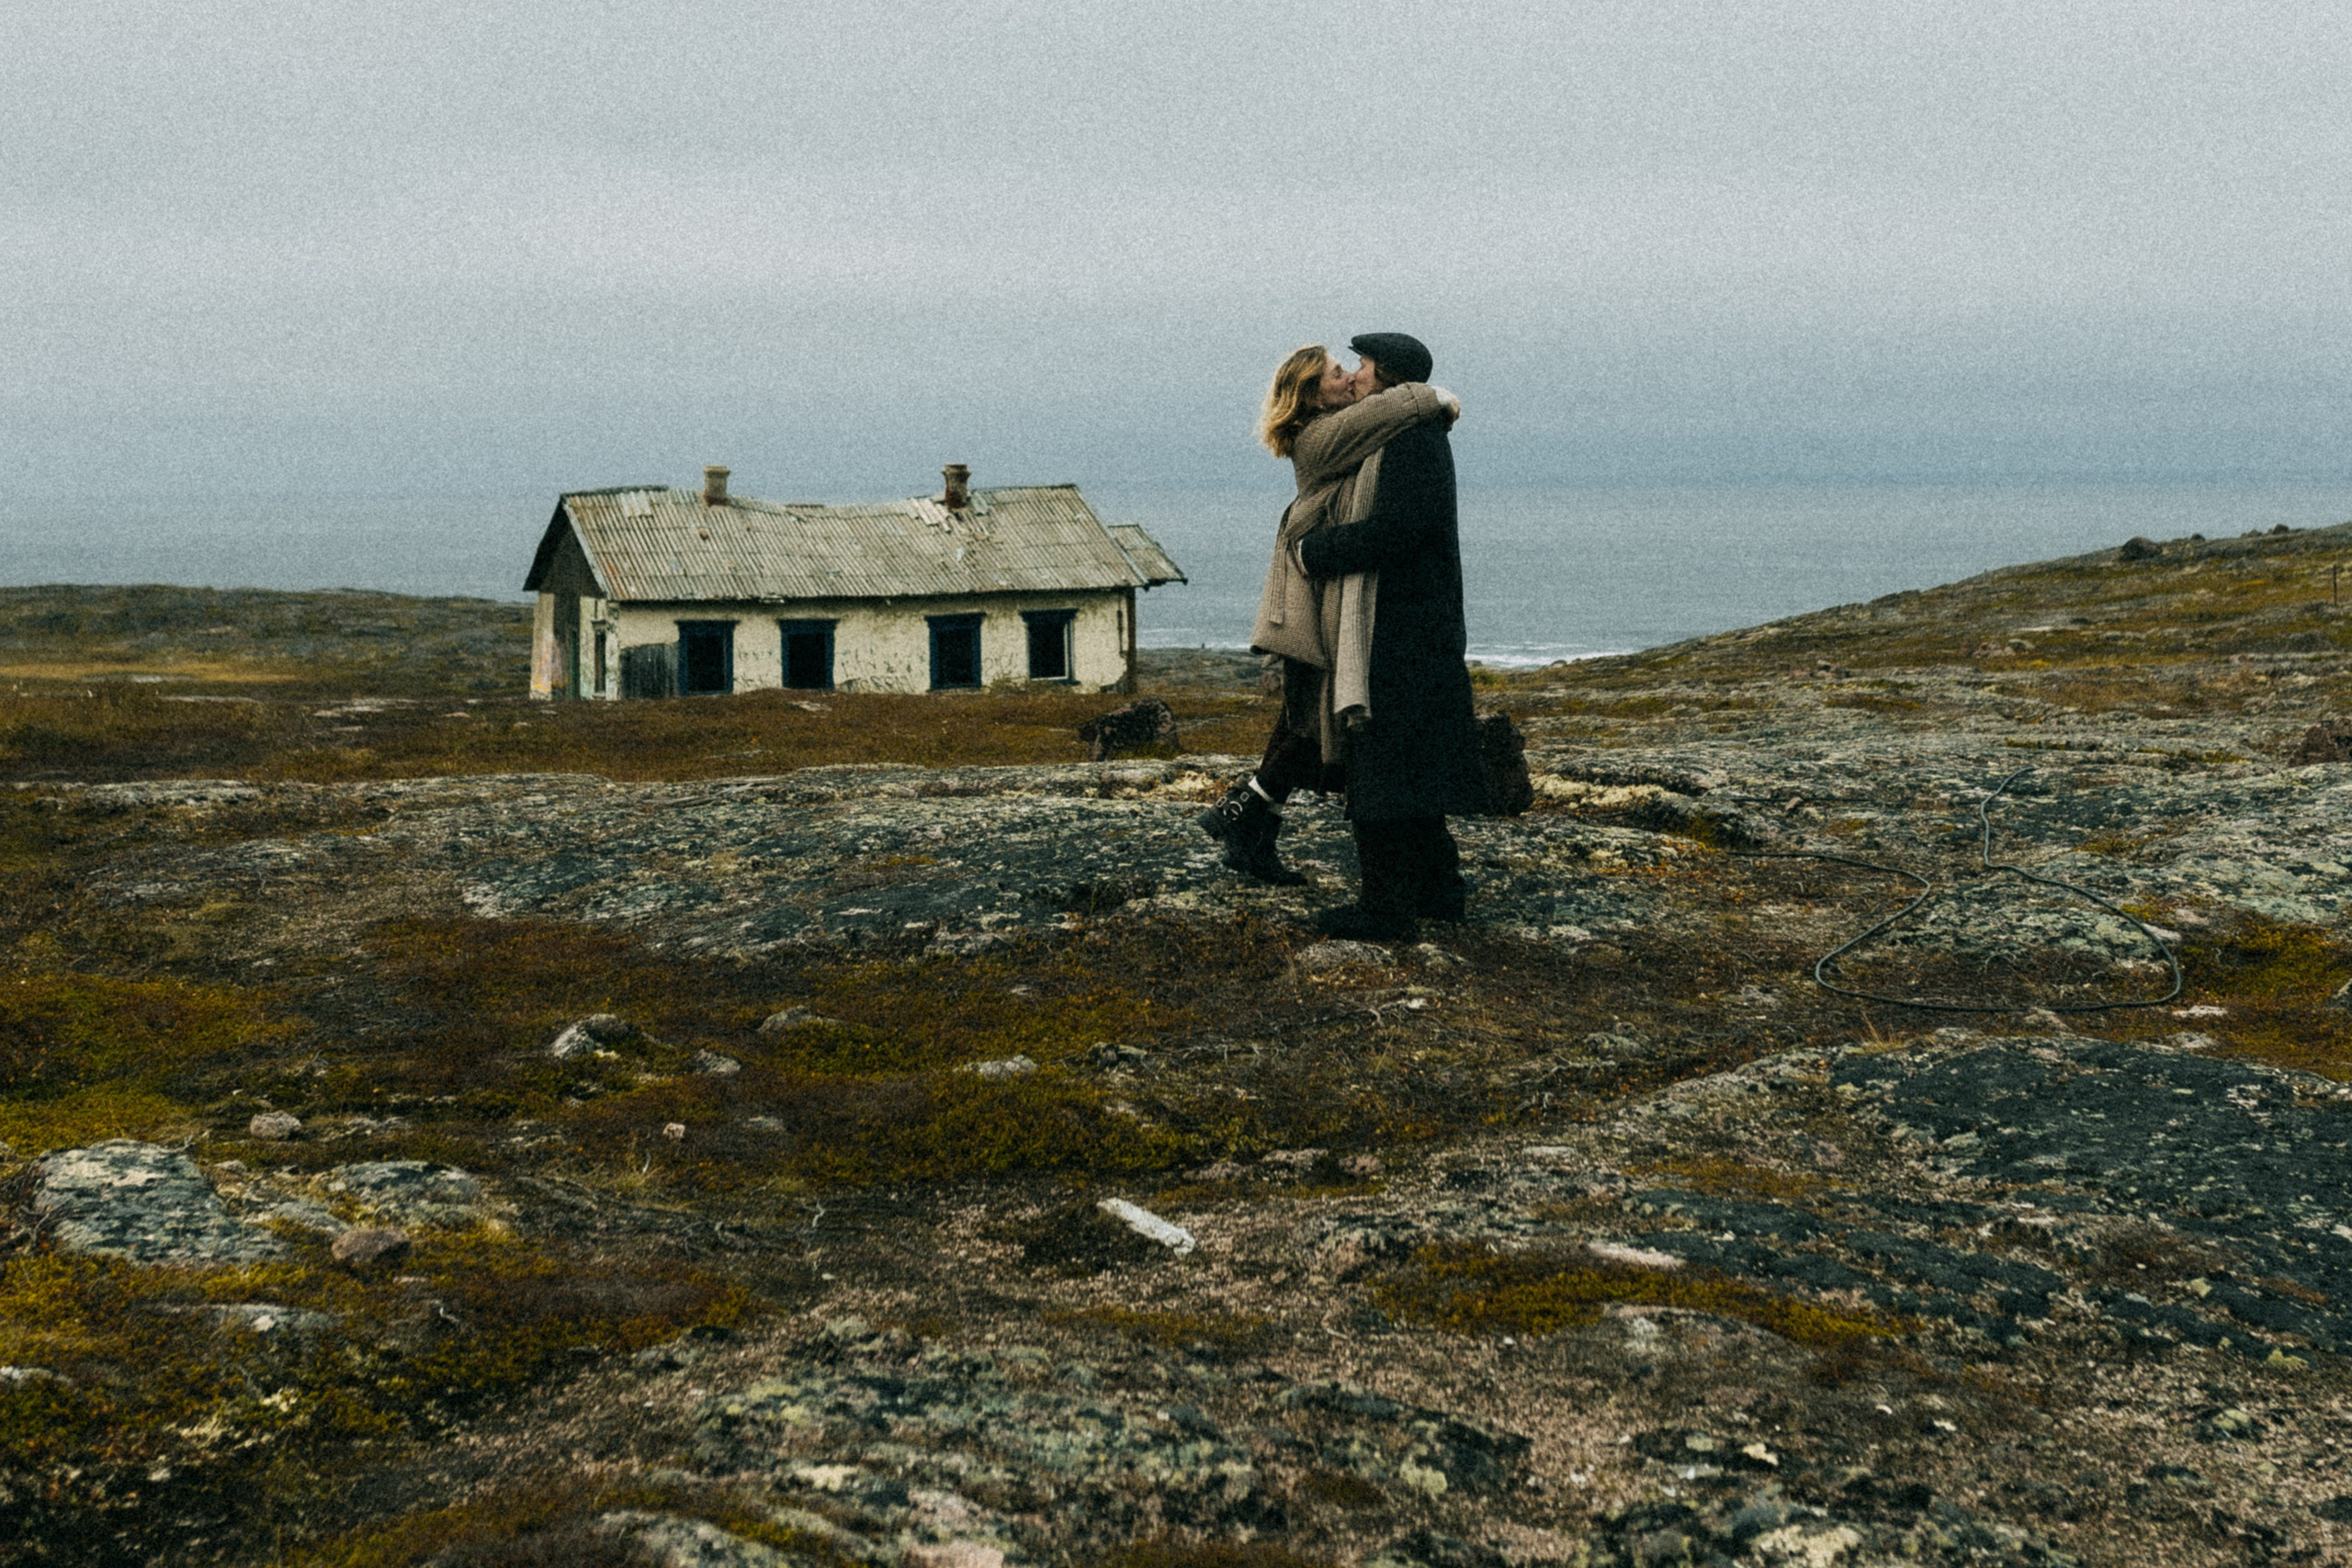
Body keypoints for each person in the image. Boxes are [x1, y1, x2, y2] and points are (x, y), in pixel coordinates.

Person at [1197, 343, 1459, 883]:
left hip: (1332, 590)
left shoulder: (1352, 429)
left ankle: (1247, 820)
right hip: (1317, 593)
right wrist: (1434, 396)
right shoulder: (1322, 437)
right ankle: (1248, 820)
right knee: (1311, 711)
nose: (1348, 377)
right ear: (1312, 396)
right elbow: (1397, 405)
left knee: (1309, 710)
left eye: (1354, 368)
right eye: (1337, 373)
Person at [1295, 332, 1487, 939]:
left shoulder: (1411, 440)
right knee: (1410, 769)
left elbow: (1396, 532)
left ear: (1387, 379)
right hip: (1409, 628)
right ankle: (1439, 890)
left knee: (1380, 771)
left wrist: (1313, 550)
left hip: (1401, 630)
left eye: (1362, 366)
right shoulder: (1401, 435)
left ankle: (1386, 907)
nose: (1353, 375)